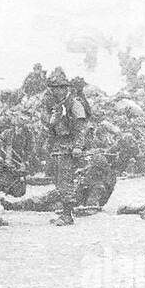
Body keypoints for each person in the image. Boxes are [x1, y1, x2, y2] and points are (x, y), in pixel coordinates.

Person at [41, 68, 88, 225]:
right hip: (57, 146)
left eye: (59, 88)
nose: (56, 91)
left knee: (65, 180)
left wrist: (78, 147)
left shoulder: (74, 104)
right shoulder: (56, 105)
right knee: (58, 181)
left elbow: (82, 129)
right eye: (54, 88)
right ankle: (65, 212)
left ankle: (68, 215)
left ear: (65, 89)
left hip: (69, 147)